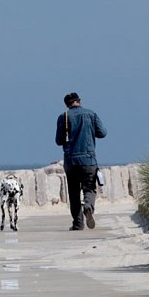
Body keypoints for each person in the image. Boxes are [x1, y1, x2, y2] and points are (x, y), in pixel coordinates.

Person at [55, 92, 107, 230]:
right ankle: (88, 207)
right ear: (79, 101)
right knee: (89, 188)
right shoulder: (91, 114)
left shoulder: (63, 117)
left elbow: (59, 141)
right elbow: (102, 133)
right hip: (88, 160)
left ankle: (78, 224)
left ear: (67, 104)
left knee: (73, 193)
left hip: (70, 161)